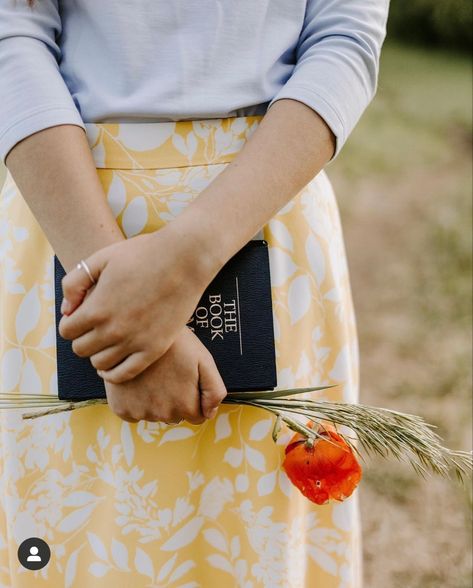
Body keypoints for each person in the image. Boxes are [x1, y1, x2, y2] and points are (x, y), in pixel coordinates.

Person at [0, 1, 389, 586]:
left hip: (265, 214)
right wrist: (111, 293)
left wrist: (186, 262)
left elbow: (344, 36)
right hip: (67, 217)